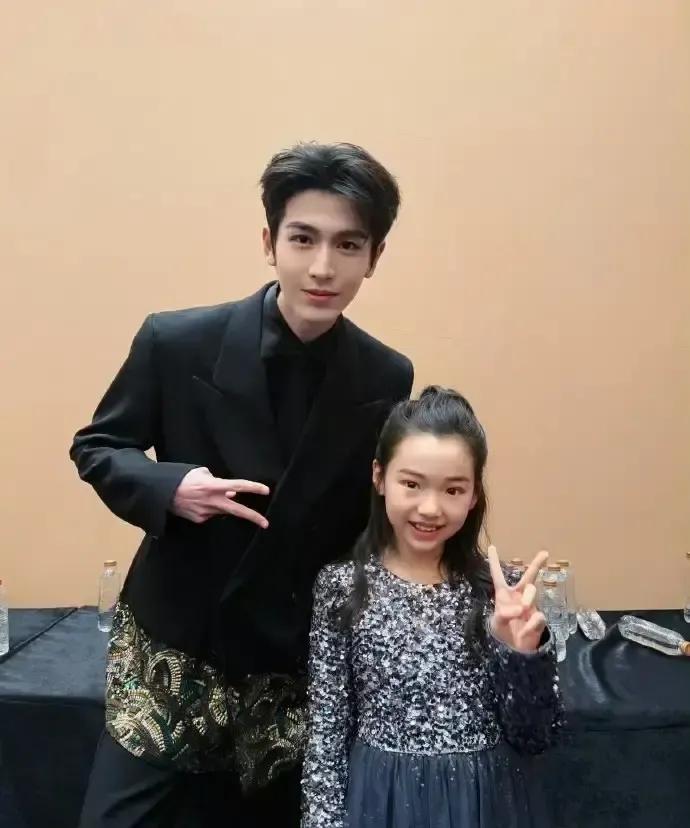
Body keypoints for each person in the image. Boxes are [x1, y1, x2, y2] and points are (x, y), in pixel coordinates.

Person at [70, 142, 413, 827]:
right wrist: (171, 487)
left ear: (374, 257)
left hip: (289, 659)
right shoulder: (176, 342)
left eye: (348, 245)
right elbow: (99, 446)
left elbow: (366, 515)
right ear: (269, 242)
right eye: (303, 239)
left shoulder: (386, 375)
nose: (323, 267)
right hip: (177, 645)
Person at [302, 386, 562, 828]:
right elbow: (326, 734)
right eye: (411, 484)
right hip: (382, 800)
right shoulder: (341, 587)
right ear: (379, 477)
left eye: (453, 489)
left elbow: (536, 737)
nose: (430, 508)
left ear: (474, 495)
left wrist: (521, 656)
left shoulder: (501, 593)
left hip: (485, 800)